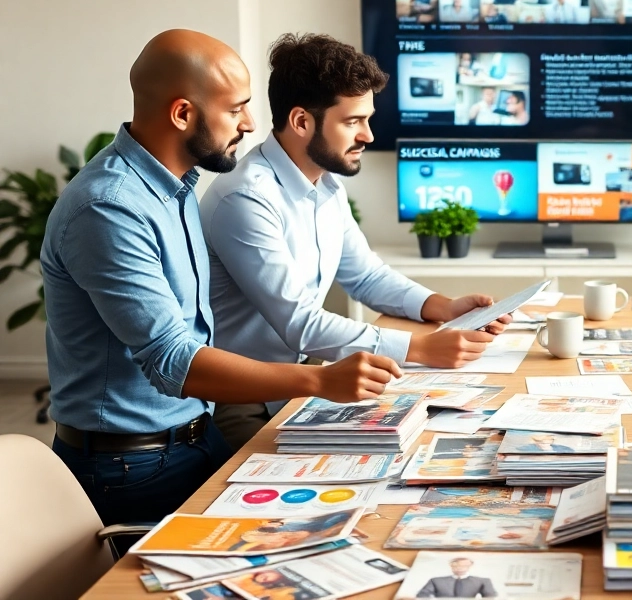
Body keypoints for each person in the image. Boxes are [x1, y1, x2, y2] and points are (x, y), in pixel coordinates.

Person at [42, 30, 403, 526]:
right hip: (131, 465)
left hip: (193, 434)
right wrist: (318, 379)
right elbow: (174, 361)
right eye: (236, 109)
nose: (251, 124)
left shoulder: (177, 187)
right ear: (183, 114)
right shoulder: (109, 207)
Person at [201, 34, 508, 450]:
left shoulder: (325, 184)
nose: (368, 136)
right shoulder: (246, 198)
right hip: (245, 400)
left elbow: (365, 275)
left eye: (367, 119)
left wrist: (445, 308)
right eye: (352, 122)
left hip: (305, 380)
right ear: (301, 121)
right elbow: (300, 323)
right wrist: (423, 348)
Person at [417, 556, 497, 597]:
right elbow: (422, 595)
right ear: (451, 566)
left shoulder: (482, 581)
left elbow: (491, 596)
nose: (459, 568)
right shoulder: (436, 581)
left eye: (464, 566)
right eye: (456, 566)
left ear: (470, 566)